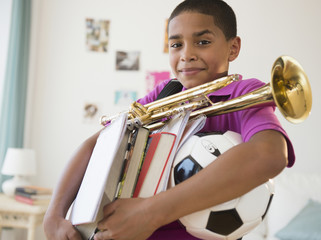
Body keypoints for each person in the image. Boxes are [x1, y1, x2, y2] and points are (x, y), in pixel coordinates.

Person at [43, 0, 294, 239]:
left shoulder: (244, 93)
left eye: (203, 41)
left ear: (233, 48)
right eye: (176, 45)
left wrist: (150, 213)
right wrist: (54, 213)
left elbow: (269, 155)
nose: (187, 55)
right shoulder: (166, 93)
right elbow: (96, 145)